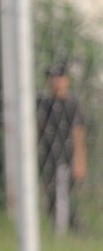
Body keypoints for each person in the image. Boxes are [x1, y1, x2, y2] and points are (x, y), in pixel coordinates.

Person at [37, 62, 88, 233]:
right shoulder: (44, 103)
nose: (55, 81)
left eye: (59, 77)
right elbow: (39, 128)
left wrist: (79, 159)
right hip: (48, 153)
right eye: (52, 78)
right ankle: (58, 224)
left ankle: (63, 228)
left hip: (66, 154)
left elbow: (77, 132)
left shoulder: (71, 103)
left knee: (63, 190)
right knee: (51, 191)